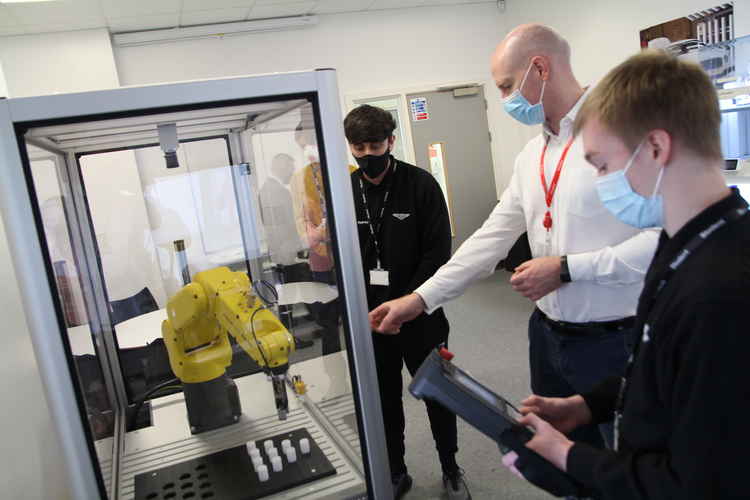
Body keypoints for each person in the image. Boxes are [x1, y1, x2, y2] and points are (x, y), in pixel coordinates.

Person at [369, 24, 659, 451]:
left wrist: (566, 269)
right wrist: (420, 299)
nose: (505, 99)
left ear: (540, 68)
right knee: (563, 455)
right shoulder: (532, 156)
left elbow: (663, 239)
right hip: (548, 337)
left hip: (615, 340)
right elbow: (490, 239)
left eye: (507, 86)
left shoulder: (625, 134)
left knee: (628, 461)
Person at [501, 49, 750, 500]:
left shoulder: (723, 290)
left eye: (601, 165)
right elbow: (669, 371)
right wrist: (588, 406)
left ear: (655, 147)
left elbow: (696, 484)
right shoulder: (685, 246)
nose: (600, 181)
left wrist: (567, 456)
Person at [345, 105, 470, 499]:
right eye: (359, 146)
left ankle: (451, 467)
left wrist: (407, 303)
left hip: (420, 314)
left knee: (438, 393)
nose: (368, 154)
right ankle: (396, 472)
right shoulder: (345, 191)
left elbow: (438, 253)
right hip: (371, 320)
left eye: (375, 144)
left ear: (391, 141)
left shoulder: (420, 185)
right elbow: (346, 260)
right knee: (383, 402)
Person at [290, 122, 347, 355]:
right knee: (327, 319)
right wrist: (311, 236)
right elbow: (299, 220)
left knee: (360, 314)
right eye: (303, 145)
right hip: (321, 258)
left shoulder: (346, 171)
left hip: (350, 257)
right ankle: (335, 377)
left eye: (311, 142)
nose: (309, 149)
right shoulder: (298, 179)